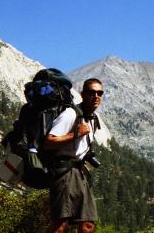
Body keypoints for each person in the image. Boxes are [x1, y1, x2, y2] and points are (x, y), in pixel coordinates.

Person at [45, 78, 110, 233]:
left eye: (99, 93)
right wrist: (75, 134)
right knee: (60, 225)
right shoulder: (70, 114)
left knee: (88, 225)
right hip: (64, 172)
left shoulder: (92, 118)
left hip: (80, 173)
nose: (96, 96)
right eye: (91, 92)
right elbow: (49, 141)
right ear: (83, 94)